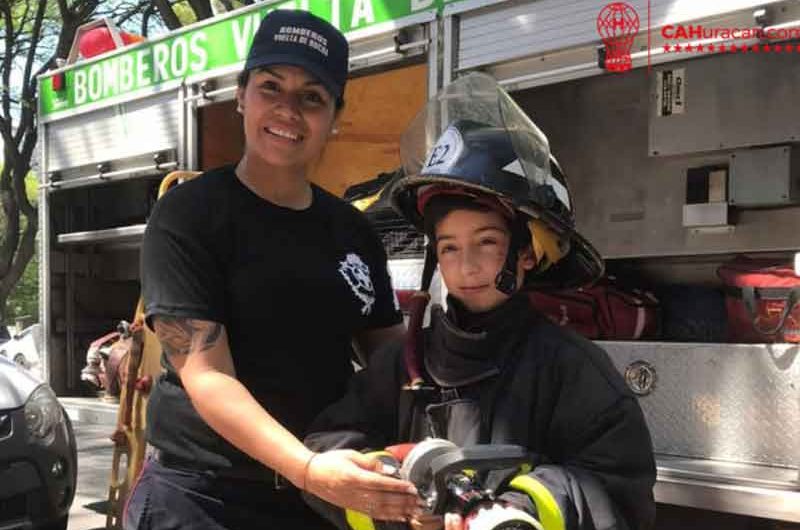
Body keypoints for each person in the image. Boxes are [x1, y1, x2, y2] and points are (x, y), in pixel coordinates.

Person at [303, 90, 657, 530]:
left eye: (487, 243)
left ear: (528, 253)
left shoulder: (572, 369)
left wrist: (520, 512)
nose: (466, 266)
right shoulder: (403, 363)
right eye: (449, 248)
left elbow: (618, 486)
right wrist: (393, 495)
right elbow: (326, 447)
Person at [124, 9, 421, 530]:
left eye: (311, 96)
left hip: (317, 495)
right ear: (241, 96)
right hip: (203, 499)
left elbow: (391, 360)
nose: (288, 110)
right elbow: (207, 375)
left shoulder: (353, 232)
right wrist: (308, 469)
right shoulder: (187, 216)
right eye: (270, 86)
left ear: (335, 117)